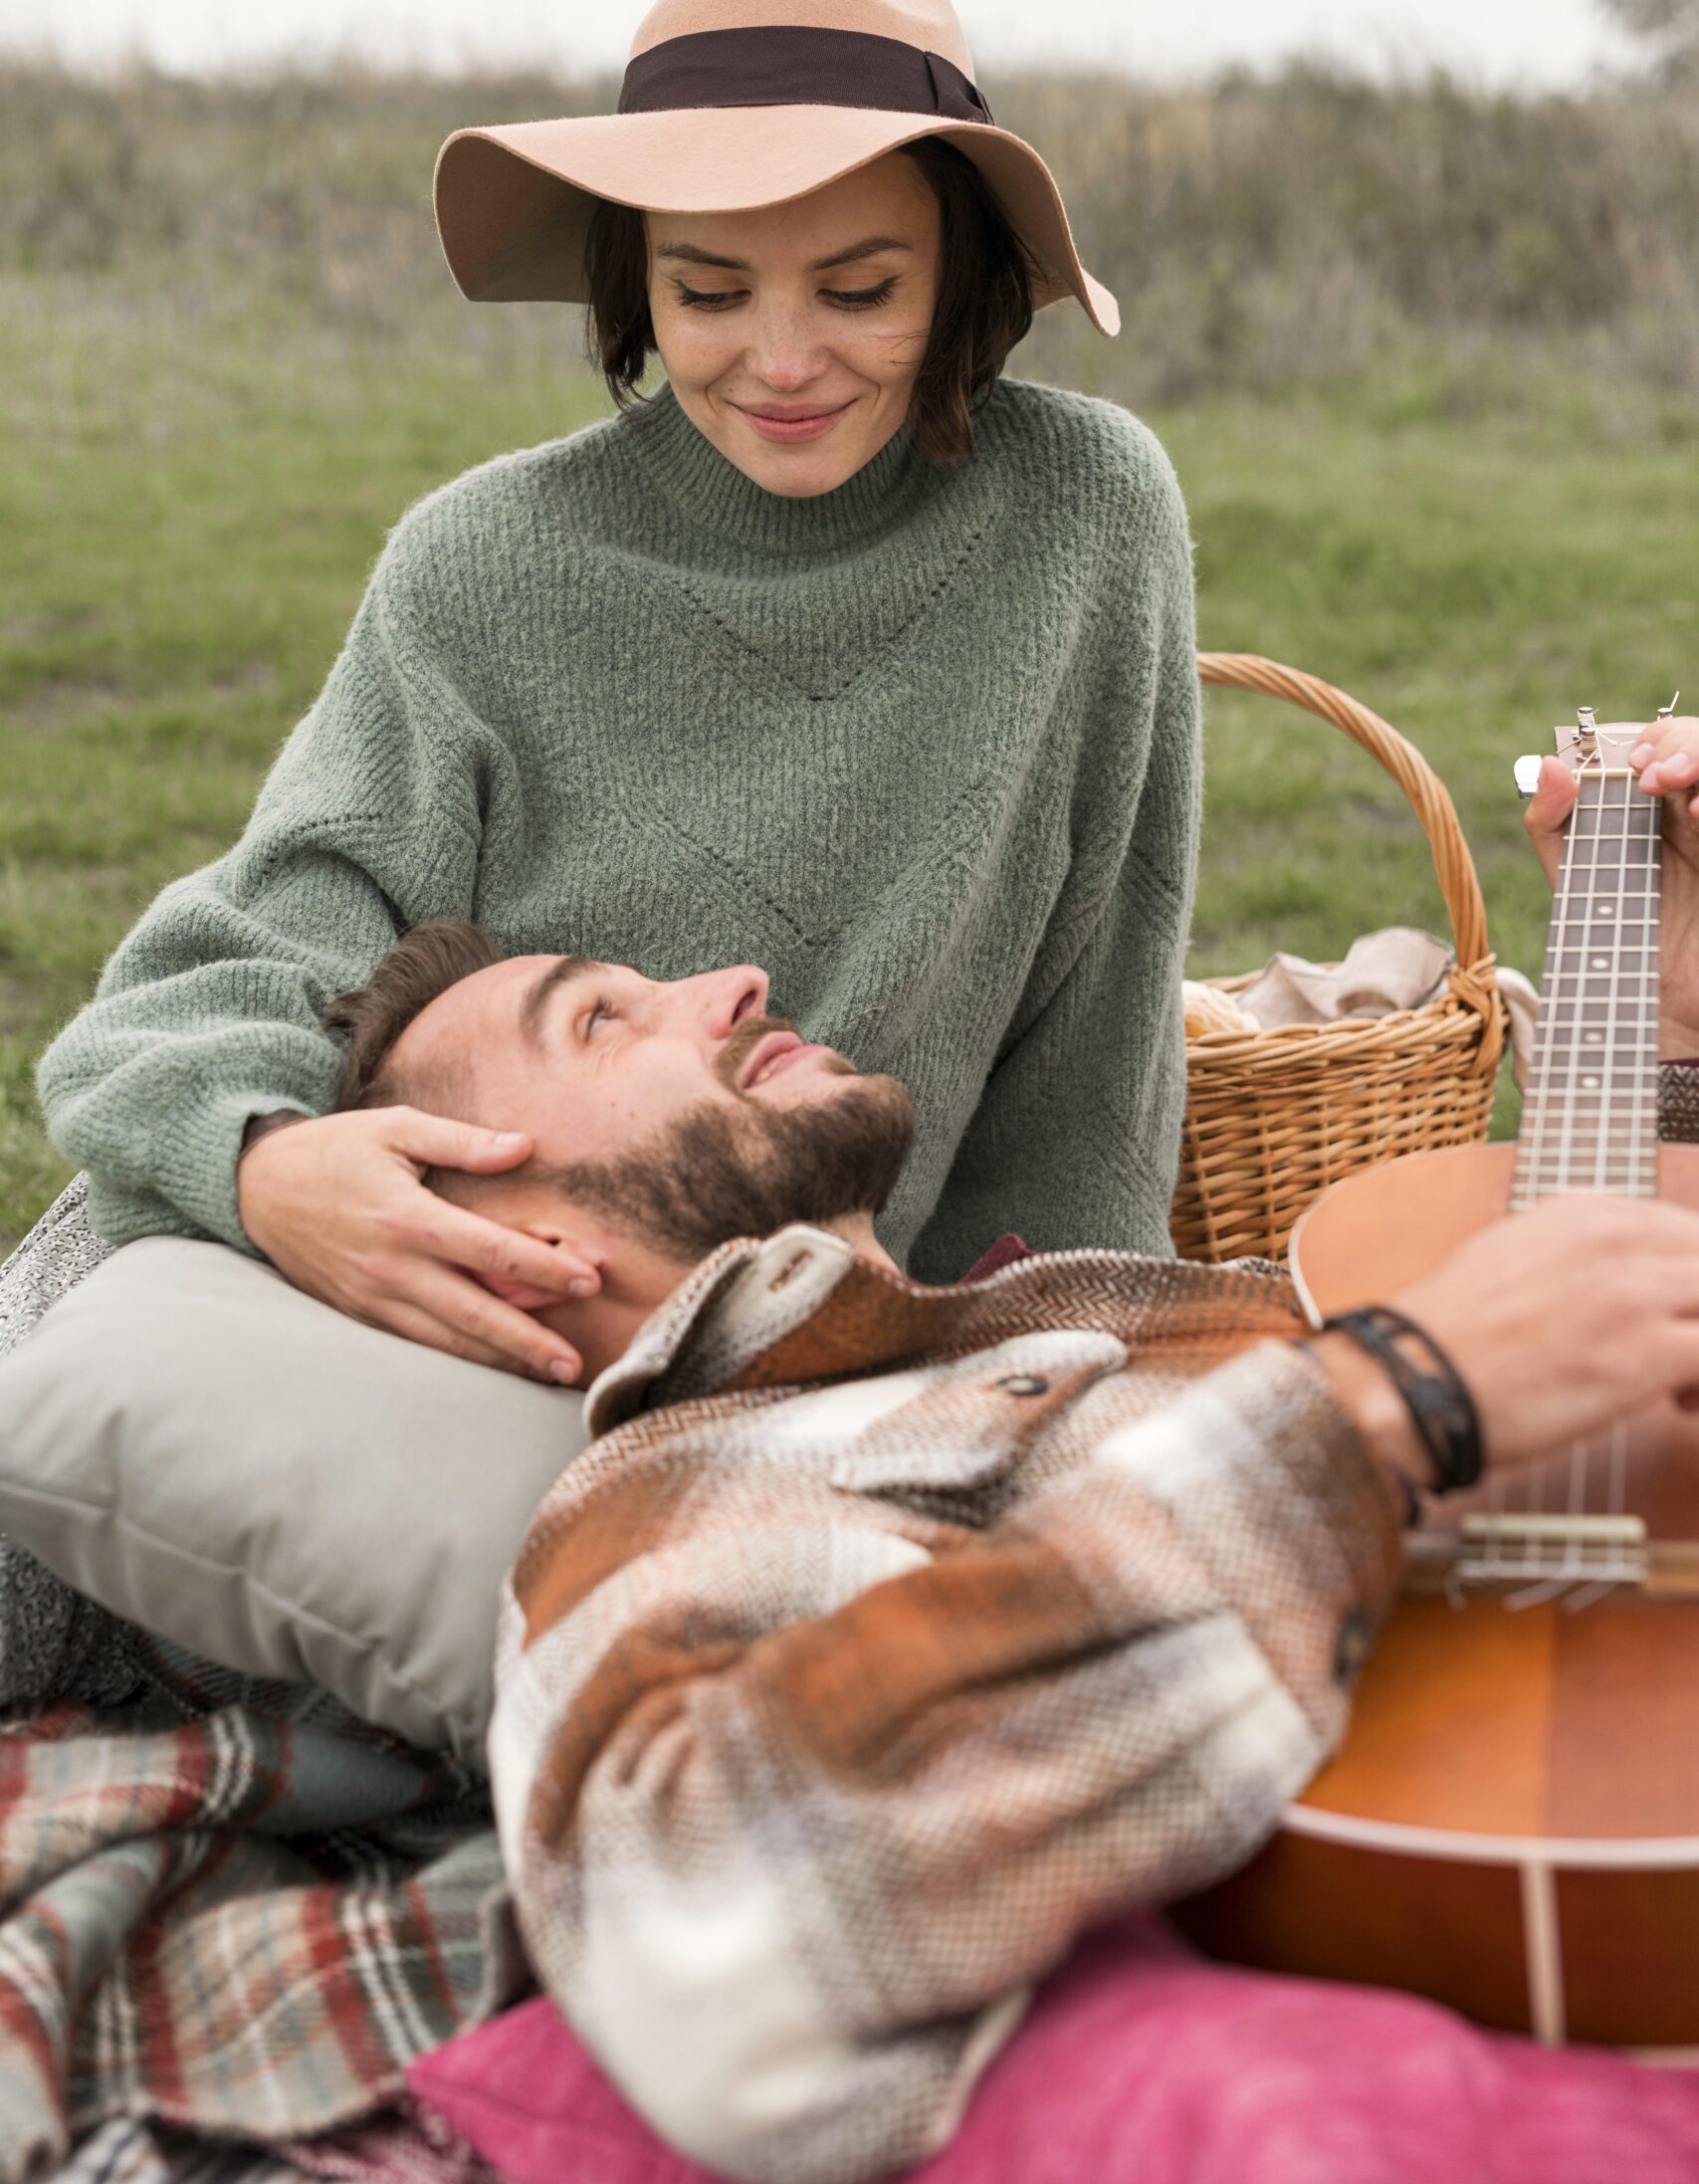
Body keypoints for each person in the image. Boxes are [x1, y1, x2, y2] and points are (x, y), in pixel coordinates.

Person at [313, 721, 1699, 2184]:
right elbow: (713, 1929)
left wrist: (1672, 1027)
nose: (732, 986)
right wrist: (1386, 1403)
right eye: (601, 1021)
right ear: (512, 1241)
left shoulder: (1089, 1311)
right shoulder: (679, 1481)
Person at [27, 0, 1200, 1397]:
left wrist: (1040, 1365)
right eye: (709, 291)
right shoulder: (480, 565)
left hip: (824, 1343)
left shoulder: (1086, 515)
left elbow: (1095, 1041)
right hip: (462, 1312)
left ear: (959, 275)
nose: (781, 362)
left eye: (859, 290)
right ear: (631, 275)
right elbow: (234, 965)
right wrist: (262, 1166)